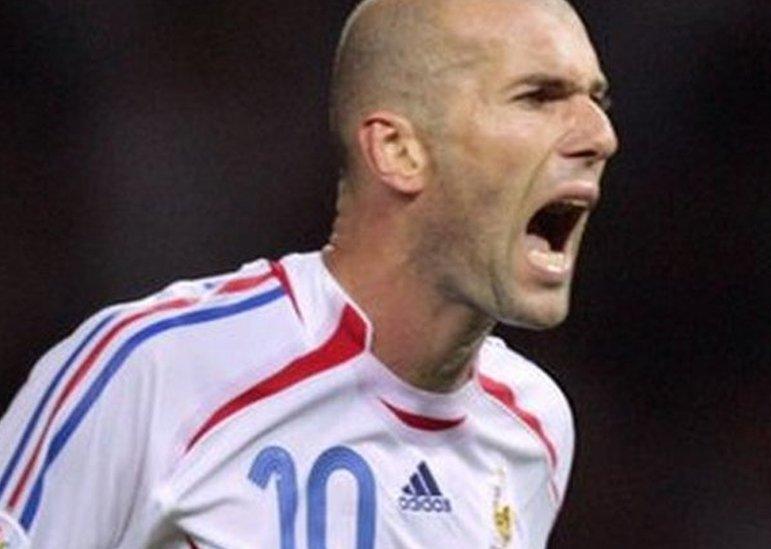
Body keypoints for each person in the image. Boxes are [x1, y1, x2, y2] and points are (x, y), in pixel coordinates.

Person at [0, 0, 617, 546]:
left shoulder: (534, 427)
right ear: (399, 151)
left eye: (597, 99)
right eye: (539, 96)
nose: (601, 135)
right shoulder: (154, 369)